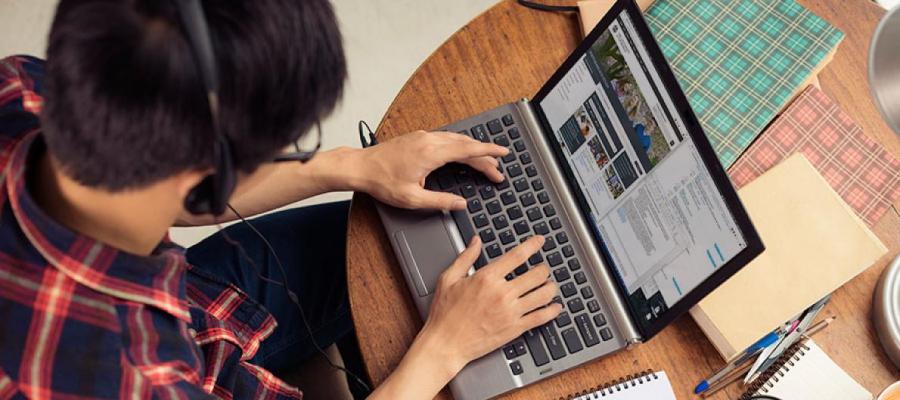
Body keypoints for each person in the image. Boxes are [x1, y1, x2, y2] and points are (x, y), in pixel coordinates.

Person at [0, 0, 562, 399]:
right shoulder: (128, 380)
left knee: (380, 231)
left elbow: (152, 178)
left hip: (194, 305)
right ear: (209, 174)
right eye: (283, 150)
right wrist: (444, 349)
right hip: (189, 370)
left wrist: (354, 164)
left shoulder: (19, 86)